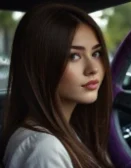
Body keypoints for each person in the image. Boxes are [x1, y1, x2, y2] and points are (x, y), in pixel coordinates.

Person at [0, 3, 114, 168]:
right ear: (40, 66)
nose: (93, 68)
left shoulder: (63, 132)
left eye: (96, 53)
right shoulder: (45, 148)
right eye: (74, 56)